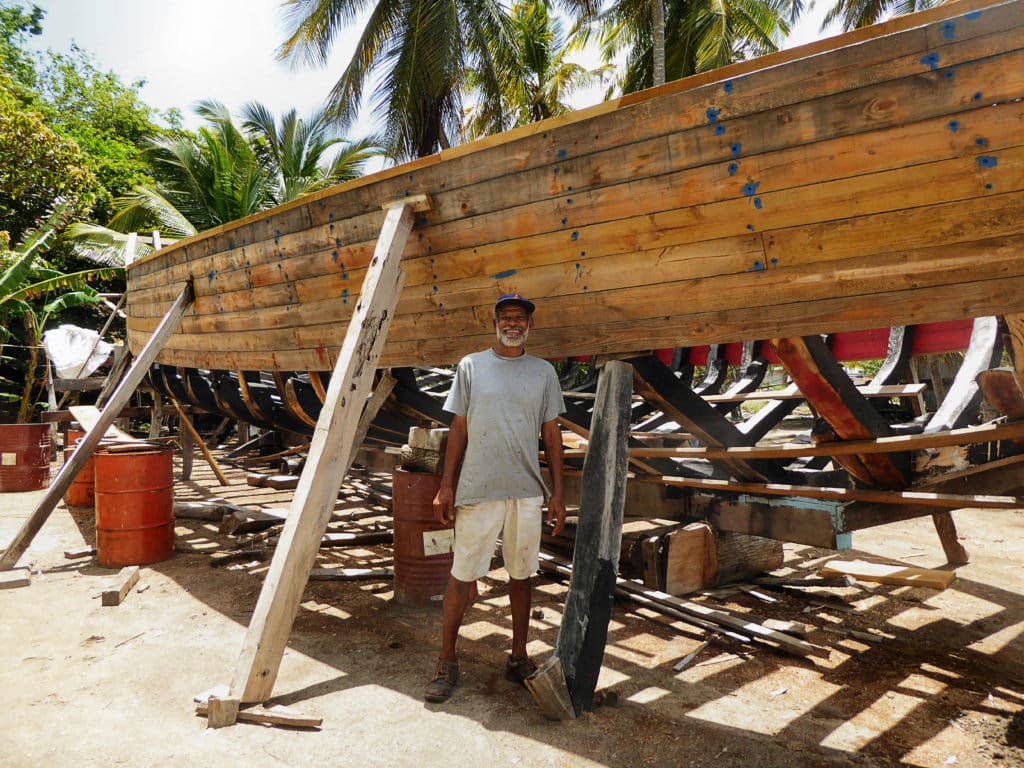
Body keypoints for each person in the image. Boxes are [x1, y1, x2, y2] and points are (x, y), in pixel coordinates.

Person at [424, 293, 566, 704]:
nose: (513, 324)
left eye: (520, 319)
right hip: (479, 488)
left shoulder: (543, 373)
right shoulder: (471, 366)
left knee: (522, 574)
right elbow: (459, 429)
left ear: (530, 327)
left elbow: (552, 435)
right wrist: (446, 484)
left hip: (525, 491)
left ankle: (518, 655)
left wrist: (557, 492)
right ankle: (447, 660)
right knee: (462, 574)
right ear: (495, 323)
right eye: (506, 317)